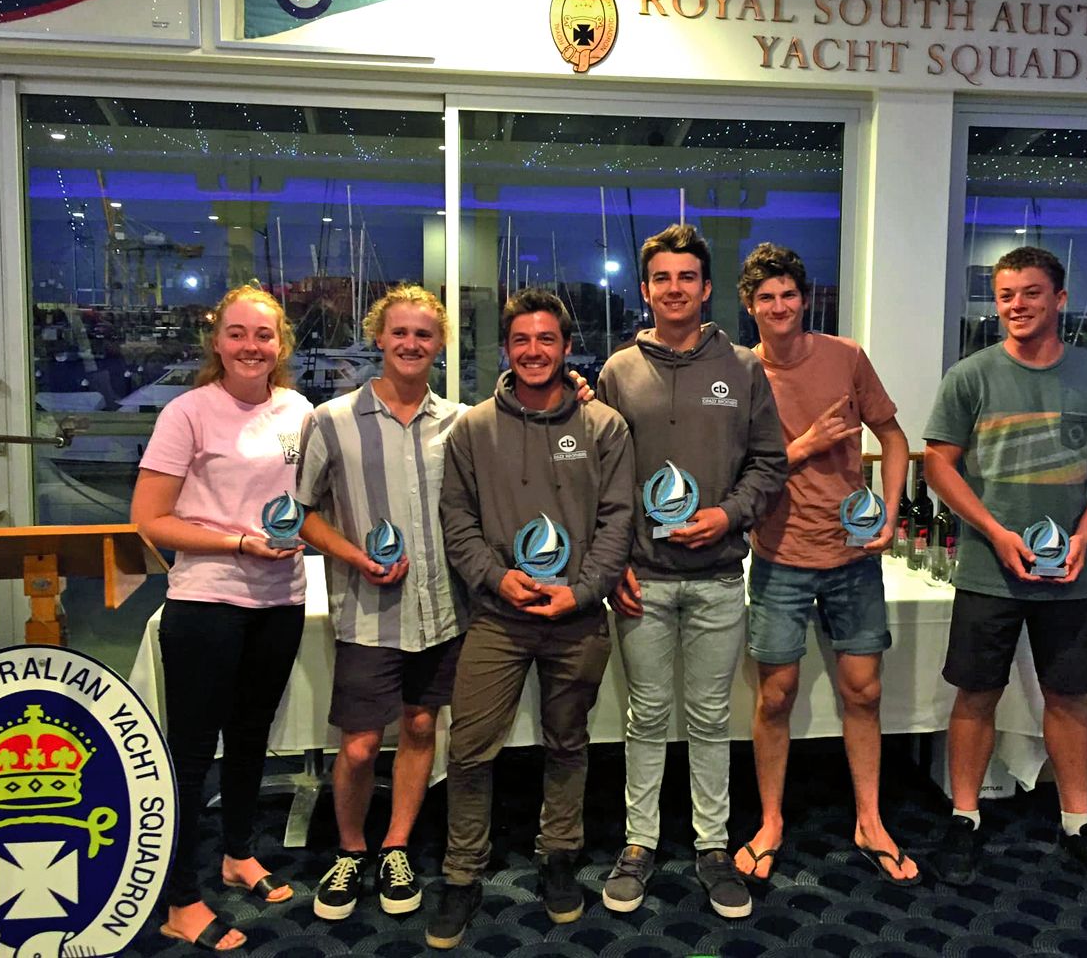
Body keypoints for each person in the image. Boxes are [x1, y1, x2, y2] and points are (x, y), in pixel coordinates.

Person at [922, 246, 1087, 889]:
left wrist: (1083, 537)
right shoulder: (972, 376)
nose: (1017, 306)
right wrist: (992, 531)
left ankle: (1079, 824)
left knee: (1069, 698)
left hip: (1071, 573)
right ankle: (964, 818)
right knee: (976, 693)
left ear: (1060, 300)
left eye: (1031, 293)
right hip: (989, 570)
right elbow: (939, 462)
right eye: (1007, 295)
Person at [426, 290, 634, 949]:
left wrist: (583, 590)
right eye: (522, 340)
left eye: (547, 339)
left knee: (567, 742)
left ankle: (560, 854)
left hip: (576, 617)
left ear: (565, 348)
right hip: (497, 614)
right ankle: (461, 871)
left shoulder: (604, 427)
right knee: (468, 748)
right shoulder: (474, 427)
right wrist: (495, 575)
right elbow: (454, 517)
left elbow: (618, 518)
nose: (534, 350)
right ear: (506, 348)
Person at [596, 224, 788, 919]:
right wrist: (612, 559)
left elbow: (769, 462)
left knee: (710, 715)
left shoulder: (743, 367)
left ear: (705, 289)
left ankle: (712, 844)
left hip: (714, 575)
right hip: (641, 577)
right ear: (644, 289)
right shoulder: (617, 371)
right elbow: (602, 479)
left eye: (686, 278)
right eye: (660, 279)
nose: (673, 289)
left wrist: (727, 515)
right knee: (644, 715)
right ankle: (638, 843)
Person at [731, 243, 920, 887]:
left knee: (864, 692)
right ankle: (771, 821)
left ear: (802, 298)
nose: (778, 306)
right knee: (776, 696)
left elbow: (893, 437)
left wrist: (891, 512)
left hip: (851, 558)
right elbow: (737, 473)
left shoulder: (846, 357)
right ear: (749, 306)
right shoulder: (740, 373)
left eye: (787, 294)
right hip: (779, 556)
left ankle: (870, 819)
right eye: (765, 298)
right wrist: (806, 445)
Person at [132, 285, 311, 952]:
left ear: (280, 344)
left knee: (250, 737)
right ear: (217, 340)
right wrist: (238, 541)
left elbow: (312, 495)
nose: (249, 346)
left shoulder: (298, 410)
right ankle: (179, 895)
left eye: (262, 335)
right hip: (205, 601)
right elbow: (150, 517)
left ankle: (238, 853)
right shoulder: (188, 411)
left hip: (280, 599)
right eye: (236, 333)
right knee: (190, 750)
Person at [294, 285, 468, 920]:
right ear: (379, 337)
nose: (411, 344)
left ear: (439, 343)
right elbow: (301, 514)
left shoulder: (460, 422)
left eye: (424, 334)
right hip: (367, 610)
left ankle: (395, 846)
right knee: (362, 744)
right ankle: (350, 849)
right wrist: (353, 557)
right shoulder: (331, 420)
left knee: (423, 726)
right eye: (400, 333)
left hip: (442, 610)